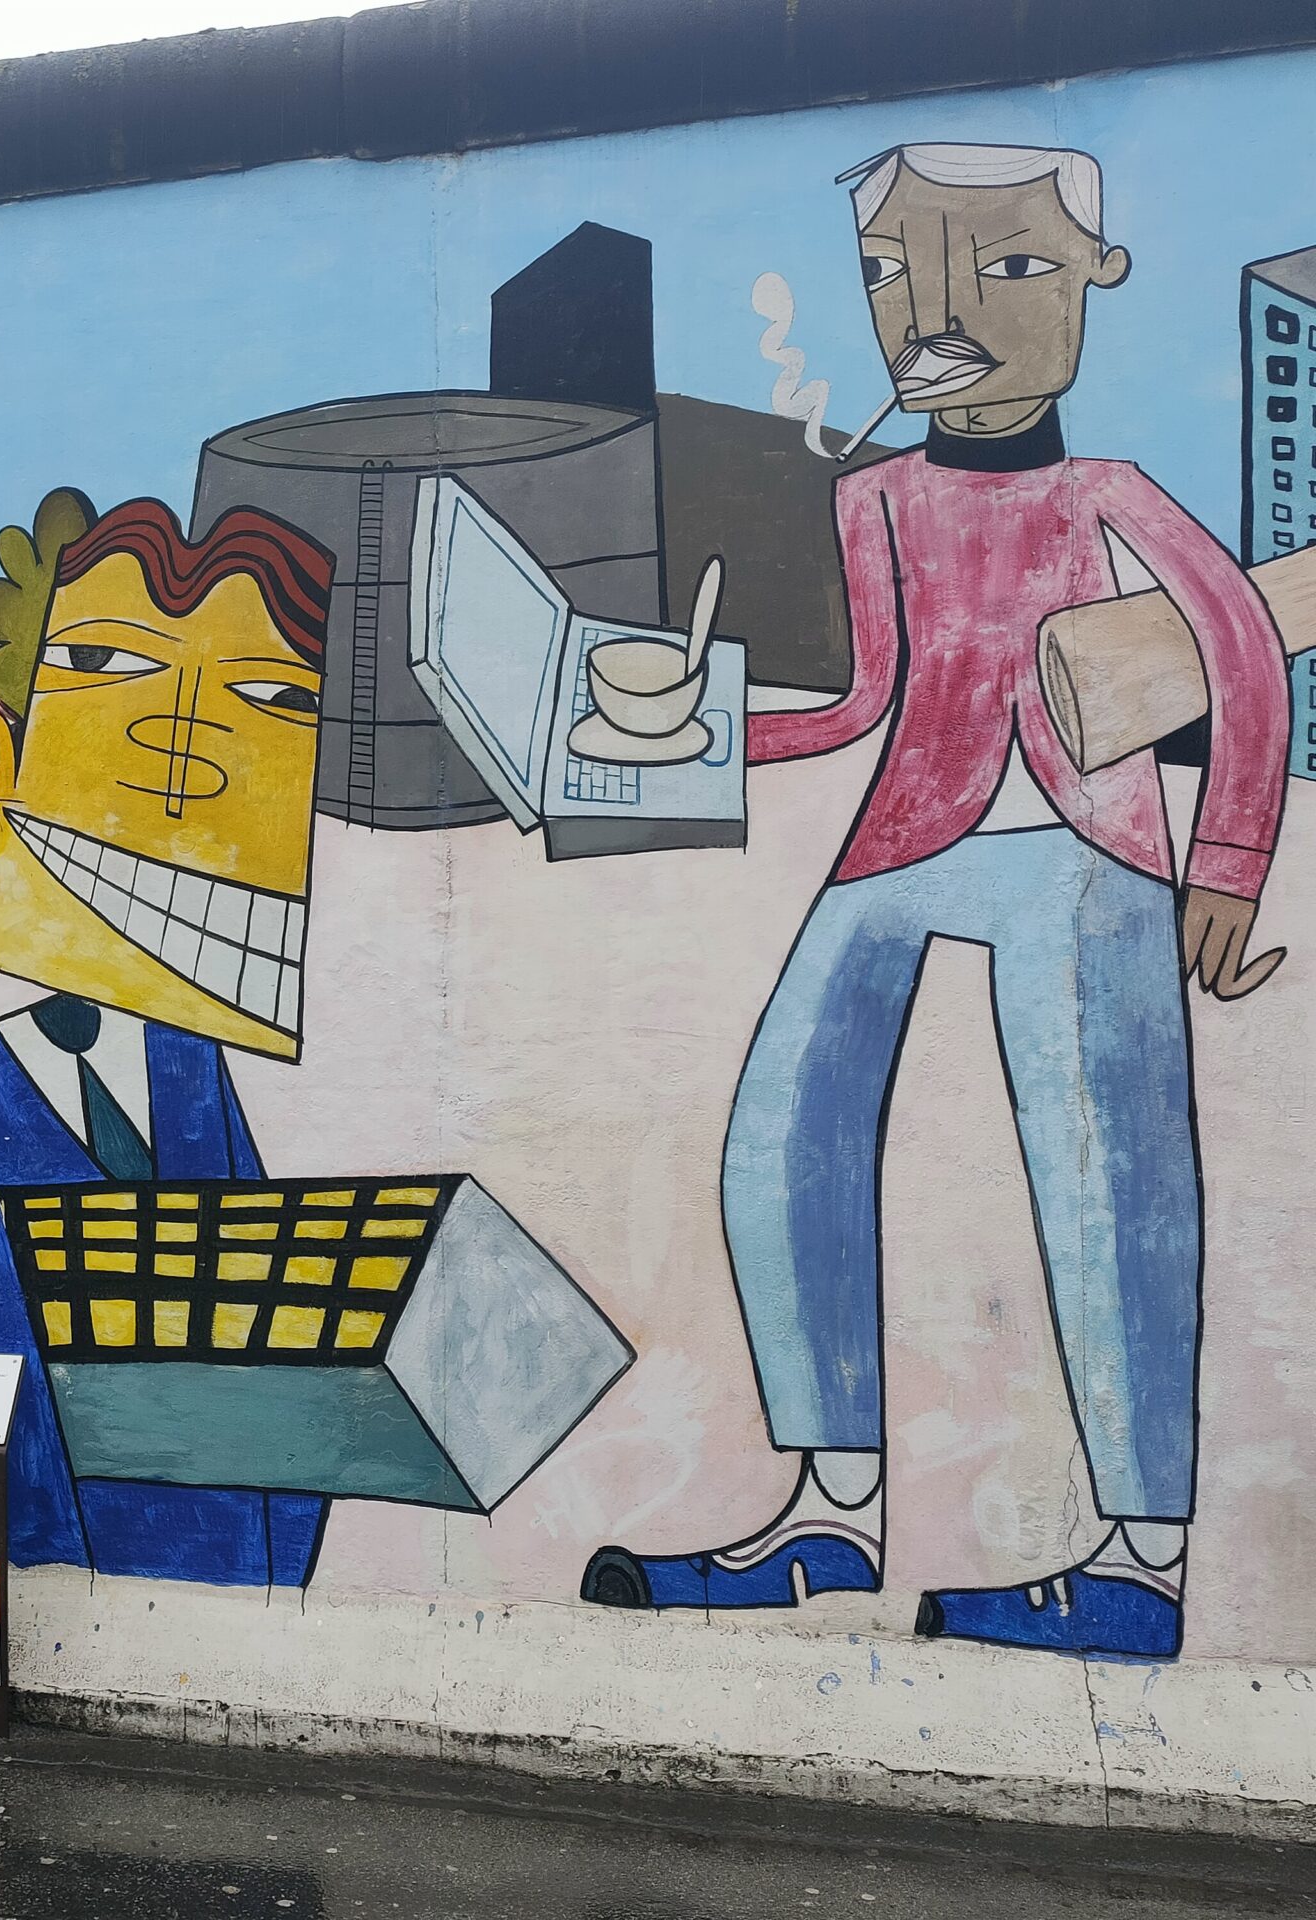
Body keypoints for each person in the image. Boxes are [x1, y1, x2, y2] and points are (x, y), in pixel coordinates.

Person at [580, 143, 1289, 1658]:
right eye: (899, 274)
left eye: (1008, 265)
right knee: (783, 1132)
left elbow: (1240, 651)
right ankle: (830, 1518)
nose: (941, 311)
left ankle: (1140, 1561)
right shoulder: (880, 496)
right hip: (907, 833)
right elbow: (862, 701)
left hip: (1090, 850)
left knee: (1107, 1175)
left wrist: (1229, 860)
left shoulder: (1108, 495)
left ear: (1093, 277)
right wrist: (698, 735)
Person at [0, 498, 338, 1585]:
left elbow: (271, 1324)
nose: (183, 756)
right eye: (101, 665)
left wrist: (267, 1578)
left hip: (229, 1574)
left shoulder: (189, 1061)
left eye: (276, 699)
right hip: (66, 1582)